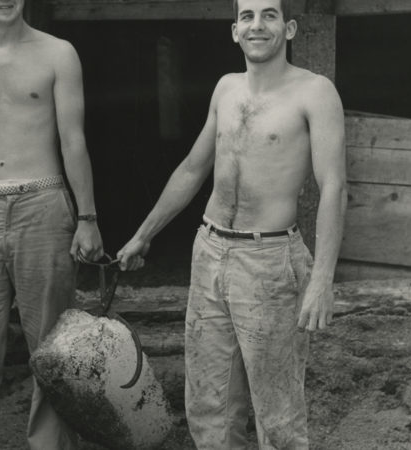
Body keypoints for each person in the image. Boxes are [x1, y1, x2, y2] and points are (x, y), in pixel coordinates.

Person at [117, 0, 347, 448]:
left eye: (269, 15)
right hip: (210, 254)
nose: (257, 25)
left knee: (277, 416)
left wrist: (322, 279)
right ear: (234, 31)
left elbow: (334, 187)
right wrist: (143, 235)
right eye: (247, 16)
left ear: (291, 27)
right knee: (210, 407)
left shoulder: (315, 92)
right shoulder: (225, 88)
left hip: (270, 262)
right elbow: (191, 169)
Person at [0, 0, 103, 448]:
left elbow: (73, 139)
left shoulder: (57, 53)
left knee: (51, 351)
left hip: (44, 204)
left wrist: (87, 217)